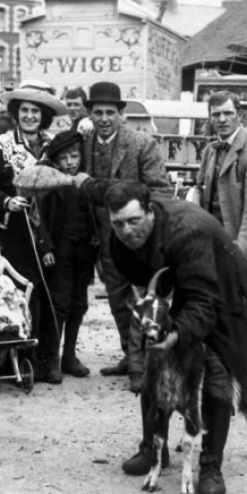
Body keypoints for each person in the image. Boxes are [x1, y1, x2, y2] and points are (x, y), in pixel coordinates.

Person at [75, 179, 247, 494]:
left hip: (224, 294)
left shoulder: (187, 233)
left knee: (215, 372)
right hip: (180, 282)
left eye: (134, 221)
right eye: (118, 223)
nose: (125, 230)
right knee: (155, 370)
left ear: (151, 212)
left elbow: (204, 302)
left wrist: (176, 335)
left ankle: (210, 465)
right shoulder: (121, 213)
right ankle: (153, 449)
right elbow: (94, 185)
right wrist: (74, 180)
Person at [81, 81, 170, 389]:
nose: (104, 118)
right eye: (97, 112)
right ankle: (128, 355)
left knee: (145, 298)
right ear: (89, 114)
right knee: (117, 297)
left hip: (135, 237)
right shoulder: (85, 143)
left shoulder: (141, 144)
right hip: (103, 235)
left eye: (110, 112)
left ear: (121, 114)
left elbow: (160, 190)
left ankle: (148, 361)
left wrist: (144, 227)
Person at [0, 86, 68, 382]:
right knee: (25, 292)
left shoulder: (54, 146)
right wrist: (6, 201)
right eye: (25, 110)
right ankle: (19, 361)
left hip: (51, 229)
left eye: (35, 111)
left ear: (44, 116)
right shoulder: (0, 145)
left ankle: (49, 360)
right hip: (17, 231)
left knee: (53, 292)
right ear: (16, 113)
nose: (29, 116)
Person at [196, 91, 247, 405]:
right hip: (215, 248)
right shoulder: (209, 151)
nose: (221, 119)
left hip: (245, 253)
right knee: (220, 313)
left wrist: (239, 260)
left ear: (239, 115)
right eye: (215, 114)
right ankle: (229, 376)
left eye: (227, 113)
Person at [35, 131, 98, 377]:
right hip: (60, 251)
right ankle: (52, 359)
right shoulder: (50, 184)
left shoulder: (85, 182)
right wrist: (46, 247)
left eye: (74, 156)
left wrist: (95, 235)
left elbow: (94, 212)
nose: (70, 162)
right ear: (54, 161)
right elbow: (39, 219)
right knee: (59, 304)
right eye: (64, 158)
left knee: (78, 304)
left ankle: (69, 356)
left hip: (84, 250)